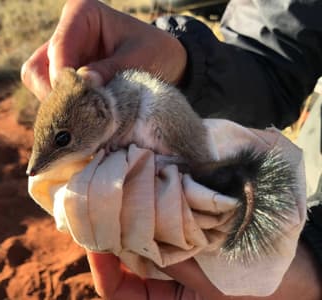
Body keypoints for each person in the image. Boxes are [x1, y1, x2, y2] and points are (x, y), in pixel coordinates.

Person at [21, 0, 322, 298]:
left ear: (98, 110)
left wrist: (317, 267)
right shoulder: (101, 111)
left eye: (63, 141)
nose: (35, 167)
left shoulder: (114, 111)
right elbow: (275, 54)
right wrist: (187, 63)